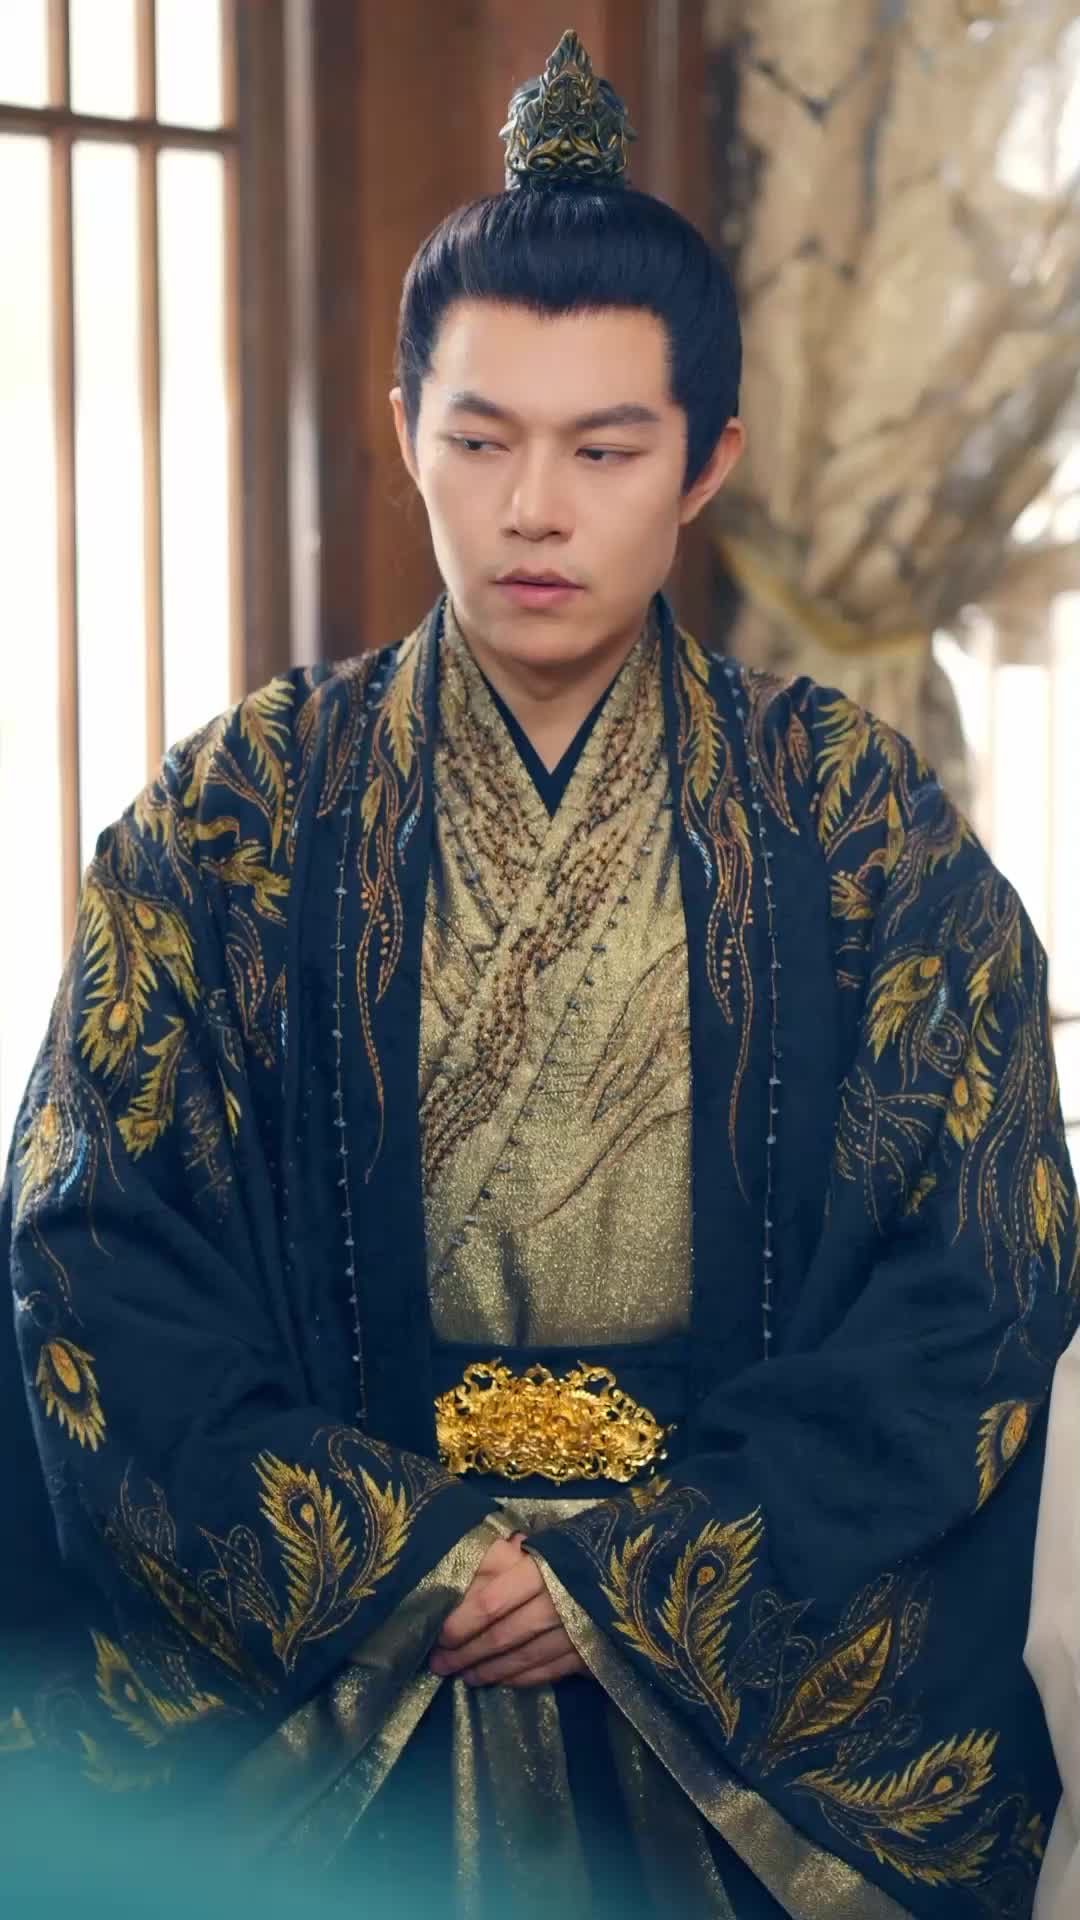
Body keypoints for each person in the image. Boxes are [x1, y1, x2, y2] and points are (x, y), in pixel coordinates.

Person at [4, 29, 1077, 1920]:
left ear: (708, 460)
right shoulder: (235, 812)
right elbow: (95, 1234)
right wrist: (399, 1558)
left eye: (605, 449)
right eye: (481, 438)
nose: (532, 510)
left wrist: (633, 1578)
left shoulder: (854, 823)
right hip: (354, 1657)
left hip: (723, 1647)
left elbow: (980, 1256)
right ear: (403, 421)